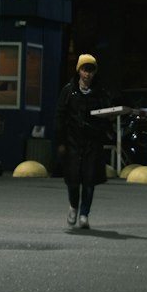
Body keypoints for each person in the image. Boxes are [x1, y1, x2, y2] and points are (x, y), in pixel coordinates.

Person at [54, 54, 112, 229]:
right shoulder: (68, 91)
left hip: (92, 144)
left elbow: (107, 115)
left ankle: (84, 214)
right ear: (78, 70)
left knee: (89, 180)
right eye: (85, 70)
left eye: (91, 70)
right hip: (72, 143)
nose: (87, 74)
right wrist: (61, 142)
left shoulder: (100, 93)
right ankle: (73, 206)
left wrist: (103, 129)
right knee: (72, 180)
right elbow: (60, 116)